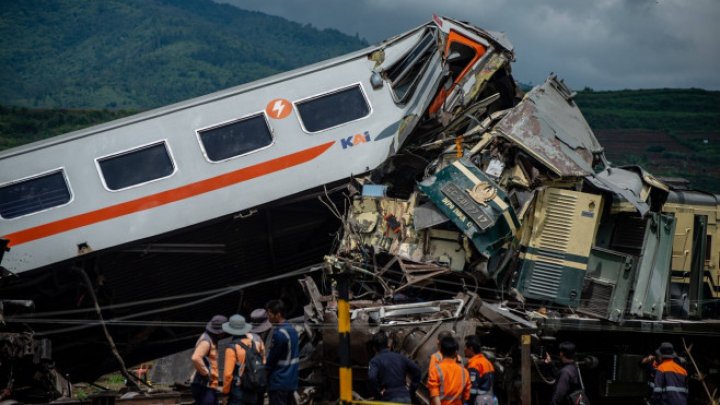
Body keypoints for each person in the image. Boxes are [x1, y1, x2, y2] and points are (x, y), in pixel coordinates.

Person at [222, 314, 266, 405]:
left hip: (238, 390)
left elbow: (227, 375)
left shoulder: (232, 348)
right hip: (252, 387)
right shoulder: (254, 343)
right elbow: (263, 360)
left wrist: (225, 393)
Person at [367, 331, 421, 403]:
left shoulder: (375, 361)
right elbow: (417, 370)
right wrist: (411, 390)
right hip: (406, 398)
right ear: (388, 344)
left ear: (374, 348)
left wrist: (378, 395)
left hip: (389, 398)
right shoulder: (400, 357)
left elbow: (371, 378)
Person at [265, 299, 299, 405]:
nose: (268, 317)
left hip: (279, 381)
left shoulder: (279, 334)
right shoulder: (292, 329)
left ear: (278, 314)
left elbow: (272, 360)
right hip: (291, 381)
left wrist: (265, 373)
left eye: (269, 314)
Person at [191, 314, 227, 405]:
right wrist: (207, 373)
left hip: (208, 384)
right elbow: (195, 358)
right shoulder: (206, 342)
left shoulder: (210, 339)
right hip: (203, 384)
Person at [428, 336, 470, 405]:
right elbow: (466, 396)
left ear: (441, 351)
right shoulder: (465, 372)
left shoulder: (435, 370)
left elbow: (434, 394)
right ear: (455, 353)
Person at [464, 335, 495, 405]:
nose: (464, 349)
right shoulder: (487, 362)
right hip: (489, 400)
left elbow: (473, 390)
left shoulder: (474, 364)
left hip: (478, 400)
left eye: (465, 347)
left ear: (471, 349)